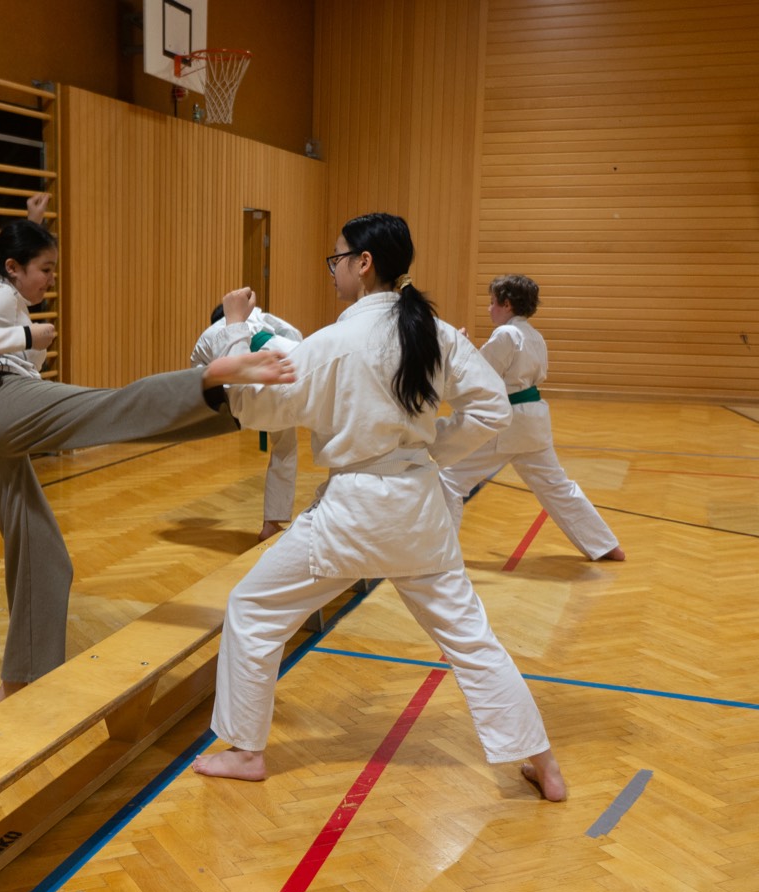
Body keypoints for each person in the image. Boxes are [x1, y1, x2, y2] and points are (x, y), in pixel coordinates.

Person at [191, 213, 567, 801]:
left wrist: (235, 329)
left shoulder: (334, 343)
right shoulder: (433, 331)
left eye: (336, 258)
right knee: (470, 640)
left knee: (254, 609)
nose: (334, 269)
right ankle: (543, 762)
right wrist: (431, 453)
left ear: (363, 262)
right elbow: (493, 409)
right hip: (419, 511)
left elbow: (256, 410)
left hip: (353, 514)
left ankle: (245, 751)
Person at [0, 208, 295, 703]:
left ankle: (19, 685)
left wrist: (33, 221)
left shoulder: (5, 291)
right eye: (45, 268)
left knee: (46, 558)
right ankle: (213, 386)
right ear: (13, 267)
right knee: (105, 409)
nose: (51, 279)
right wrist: (26, 337)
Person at [436, 274, 624, 562]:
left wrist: (457, 348)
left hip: (507, 422)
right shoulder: (533, 335)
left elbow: (481, 374)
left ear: (507, 304)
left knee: (449, 478)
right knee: (556, 486)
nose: (489, 309)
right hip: (533, 419)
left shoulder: (506, 335)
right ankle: (605, 544)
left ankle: (441, 556)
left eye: (492, 303)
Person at [191, 302, 303, 540]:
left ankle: (271, 525)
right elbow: (294, 333)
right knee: (286, 447)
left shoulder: (209, 336)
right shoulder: (258, 317)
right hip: (289, 365)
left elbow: (197, 380)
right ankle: (272, 523)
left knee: (282, 437)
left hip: (254, 393)